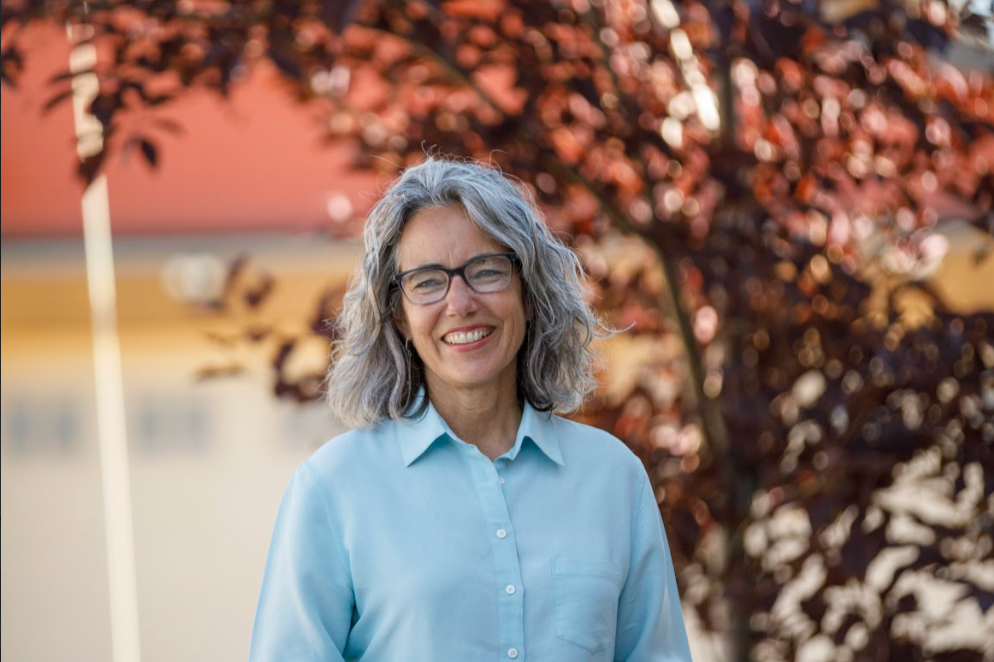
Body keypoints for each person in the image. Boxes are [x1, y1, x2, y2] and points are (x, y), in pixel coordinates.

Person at [249, 157, 693, 661]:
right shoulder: (334, 489)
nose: (459, 303)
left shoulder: (614, 480)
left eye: (486, 271)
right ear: (398, 313)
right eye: (428, 281)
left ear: (528, 291)